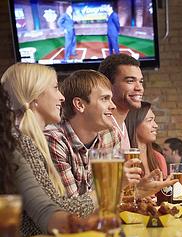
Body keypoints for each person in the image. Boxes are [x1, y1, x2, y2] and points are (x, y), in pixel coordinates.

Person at [0, 63, 97, 237]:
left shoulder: (27, 140)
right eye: (55, 88)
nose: (61, 97)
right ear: (35, 96)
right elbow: (56, 209)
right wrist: (108, 192)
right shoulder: (22, 142)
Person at [44, 70, 139, 198]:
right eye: (104, 99)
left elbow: (115, 198)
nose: (113, 106)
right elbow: (72, 208)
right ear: (79, 105)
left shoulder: (111, 135)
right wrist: (116, 185)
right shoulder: (55, 140)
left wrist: (140, 192)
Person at [98, 54, 144, 150]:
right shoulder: (101, 127)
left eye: (141, 81)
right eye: (130, 81)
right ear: (108, 85)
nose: (139, 88)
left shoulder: (122, 124)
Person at [125, 101, 167, 177]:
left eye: (154, 120)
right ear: (134, 123)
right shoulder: (125, 158)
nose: (156, 125)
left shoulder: (158, 158)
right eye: (150, 120)